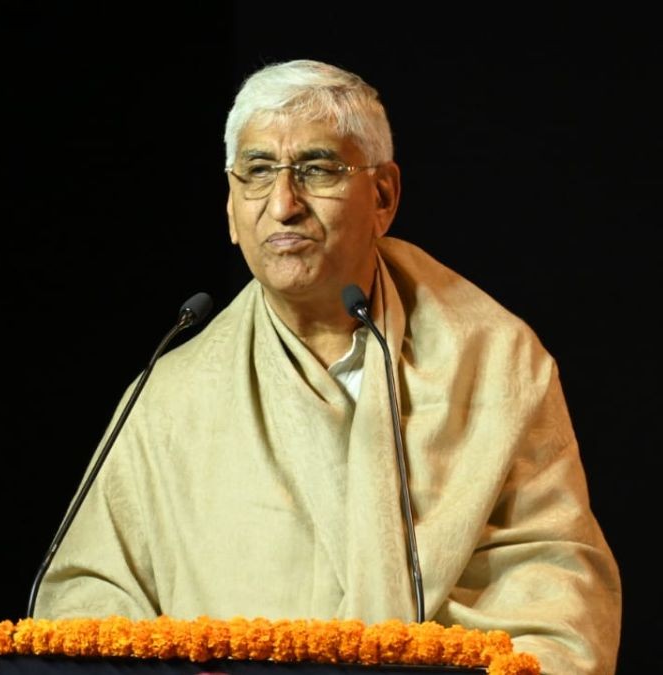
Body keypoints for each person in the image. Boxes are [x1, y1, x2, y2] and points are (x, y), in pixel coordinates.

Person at [34, 59, 622, 675]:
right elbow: (85, 598)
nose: (283, 204)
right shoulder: (171, 394)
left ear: (384, 196)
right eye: (257, 172)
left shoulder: (494, 360)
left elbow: (558, 587)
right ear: (231, 208)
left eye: (317, 169)